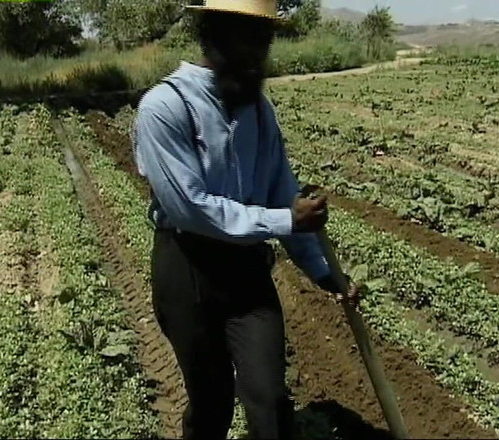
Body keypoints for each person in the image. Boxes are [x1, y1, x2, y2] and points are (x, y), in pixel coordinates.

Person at [133, 1, 358, 438]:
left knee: (270, 398)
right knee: (211, 401)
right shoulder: (164, 106)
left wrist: (324, 272)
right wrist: (284, 221)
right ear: (212, 34)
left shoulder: (258, 109)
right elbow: (190, 208)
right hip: (188, 269)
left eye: (265, 38)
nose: (258, 51)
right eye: (247, 36)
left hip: (246, 270)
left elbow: (281, 189)